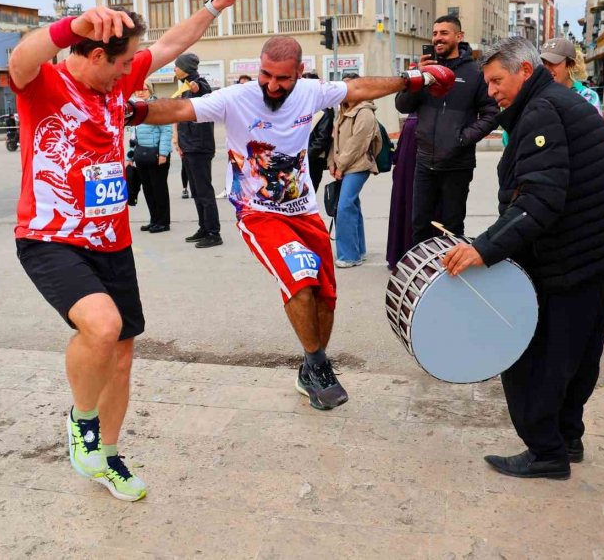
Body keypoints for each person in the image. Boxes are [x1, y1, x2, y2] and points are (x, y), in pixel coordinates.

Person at [8, 0, 252, 502]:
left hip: (112, 239)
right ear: (94, 54)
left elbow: (170, 44)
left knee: (121, 353)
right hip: (51, 236)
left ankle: (107, 456)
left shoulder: (115, 81)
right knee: (102, 325)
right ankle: (83, 422)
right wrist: (71, 24)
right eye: (122, 63)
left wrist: (216, 4)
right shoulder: (46, 86)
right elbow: (20, 60)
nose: (131, 72)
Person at [128, 35, 454, 410]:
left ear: (299, 73)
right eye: (266, 74)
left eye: (282, 78)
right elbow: (179, 109)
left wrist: (417, 80)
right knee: (300, 283)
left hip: (304, 211)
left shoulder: (310, 92)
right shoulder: (238, 98)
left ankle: (309, 366)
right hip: (259, 213)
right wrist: (133, 111)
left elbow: (360, 86)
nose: (272, 85)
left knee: (325, 297)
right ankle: (318, 365)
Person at [442, 38, 604, 480]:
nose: (491, 91)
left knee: (536, 357)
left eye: (496, 80)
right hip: (595, 253)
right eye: (487, 83)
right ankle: (568, 436)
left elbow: (538, 200)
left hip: (570, 258)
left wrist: (483, 248)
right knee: (578, 353)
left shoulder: (543, 111)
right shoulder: (557, 101)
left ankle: (546, 451)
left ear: (525, 70)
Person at [395, 15, 499, 244]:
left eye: (444, 33)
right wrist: (416, 77)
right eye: (434, 34)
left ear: (458, 37)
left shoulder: (475, 72)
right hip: (424, 160)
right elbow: (402, 106)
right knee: (420, 224)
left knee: (452, 226)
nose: (437, 38)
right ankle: (421, 276)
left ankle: (451, 276)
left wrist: (462, 139)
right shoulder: (425, 70)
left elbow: (492, 114)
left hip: (457, 163)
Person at [328, 73, 381, 268]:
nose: (346, 91)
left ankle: (349, 256)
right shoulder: (342, 109)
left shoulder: (364, 111)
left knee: (344, 207)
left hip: (359, 165)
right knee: (352, 205)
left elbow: (357, 143)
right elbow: (336, 140)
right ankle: (359, 249)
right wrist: (331, 162)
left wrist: (340, 166)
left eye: (350, 87)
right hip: (344, 164)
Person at [174, 53, 221, 248]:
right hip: (189, 146)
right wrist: (179, 143)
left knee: (204, 190)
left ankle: (214, 232)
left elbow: (202, 90)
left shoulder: (199, 84)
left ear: (187, 68)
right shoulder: (184, 86)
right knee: (195, 191)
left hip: (200, 147)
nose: (175, 69)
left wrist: (196, 88)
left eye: (177, 66)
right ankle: (203, 226)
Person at [386, 112, 418, 270]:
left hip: (408, 167)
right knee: (409, 206)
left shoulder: (412, 121)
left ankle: (400, 254)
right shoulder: (415, 121)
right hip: (411, 166)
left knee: (406, 206)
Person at [133, 112, 172, 233]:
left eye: (144, 91)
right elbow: (133, 136)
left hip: (156, 154)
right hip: (141, 154)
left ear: (150, 91)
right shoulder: (136, 110)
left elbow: (166, 131)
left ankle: (163, 222)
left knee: (159, 188)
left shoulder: (157, 108)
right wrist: (130, 156)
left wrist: (163, 153)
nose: (140, 93)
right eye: (138, 91)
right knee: (147, 188)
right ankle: (154, 219)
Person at [539, 38, 601, 114]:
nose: (547, 69)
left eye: (553, 62)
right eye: (544, 63)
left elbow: (593, 124)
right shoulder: (539, 94)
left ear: (570, 65)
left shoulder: (588, 97)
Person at [304, 72, 332, 192]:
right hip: (296, 163)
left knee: (307, 197)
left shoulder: (324, 111)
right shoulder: (300, 107)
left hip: (312, 162)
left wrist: (304, 157)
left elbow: (322, 139)